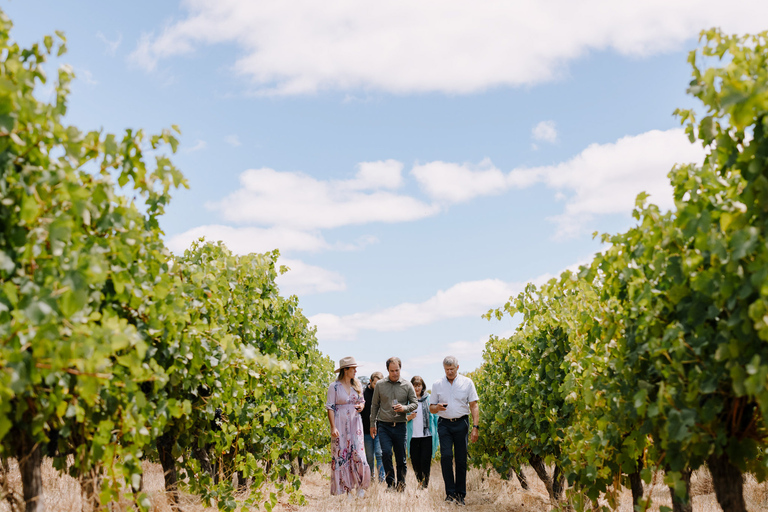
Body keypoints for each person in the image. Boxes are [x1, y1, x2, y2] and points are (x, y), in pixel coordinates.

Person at [430, 356, 479, 506]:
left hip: (462, 423)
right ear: (444, 368)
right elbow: (431, 408)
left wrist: (475, 428)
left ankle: (460, 495)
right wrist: (437, 407)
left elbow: (474, 405)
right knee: (445, 456)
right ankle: (449, 494)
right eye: (447, 369)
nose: (449, 372)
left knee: (461, 459)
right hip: (444, 424)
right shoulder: (437, 384)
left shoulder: (467, 383)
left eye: (452, 369)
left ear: (458, 367)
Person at [370, 357, 417, 491]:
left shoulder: (407, 385)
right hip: (384, 425)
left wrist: (404, 408)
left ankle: (401, 484)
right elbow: (374, 405)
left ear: (400, 369)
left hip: (401, 425)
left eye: (397, 370)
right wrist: (372, 424)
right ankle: (390, 484)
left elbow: (414, 403)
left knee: (401, 457)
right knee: (385, 453)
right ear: (387, 370)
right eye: (392, 371)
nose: (395, 373)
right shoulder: (380, 385)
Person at [326, 356, 371, 497]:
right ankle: (346, 490)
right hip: (340, 423)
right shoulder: (334, 387)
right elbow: (330, 407)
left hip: (355, 423)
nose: (355, 371)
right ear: (346, 370)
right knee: (342, 456)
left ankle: (360, 486)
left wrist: (361, 406)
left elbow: (363, 401)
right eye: (353, 368)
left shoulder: (356, 385)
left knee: (359, 454)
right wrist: (333, 427)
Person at [406, 375, 439, 490]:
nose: (417, 388)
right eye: (414, 386)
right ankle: (420, 481)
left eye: (419, 386)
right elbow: (403, 417)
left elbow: (435, 417)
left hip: (427, 436)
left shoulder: (429, 399)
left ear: (422, 386)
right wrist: (409, 417)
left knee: (425, 461)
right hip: (413, 436)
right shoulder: (408, 401)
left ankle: (424, 486)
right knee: (415, 462)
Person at [362, 371, 386, 482]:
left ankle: (382, 479)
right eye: (375, 384)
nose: (378, 386)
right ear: (370, 382)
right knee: (369, 457)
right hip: (366, 430)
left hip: (379, 430)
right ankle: (371, 478)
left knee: (379, 454)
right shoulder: (363, 394)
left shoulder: (382, 394)